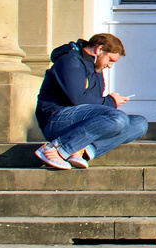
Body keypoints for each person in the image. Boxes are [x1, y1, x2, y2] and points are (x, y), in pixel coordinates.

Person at [34, 33, 148, 169]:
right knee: (117, 118)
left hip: (77, 120)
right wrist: (110, 101)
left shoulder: (96, 70)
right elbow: (77, 99)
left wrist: (109, 101)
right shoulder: (70, 60)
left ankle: (82, 149)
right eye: (110, 60)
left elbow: (93, 104)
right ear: (99, 50)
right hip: (55, 119)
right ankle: (57, 148)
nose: (110, 66)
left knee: (139, 124)